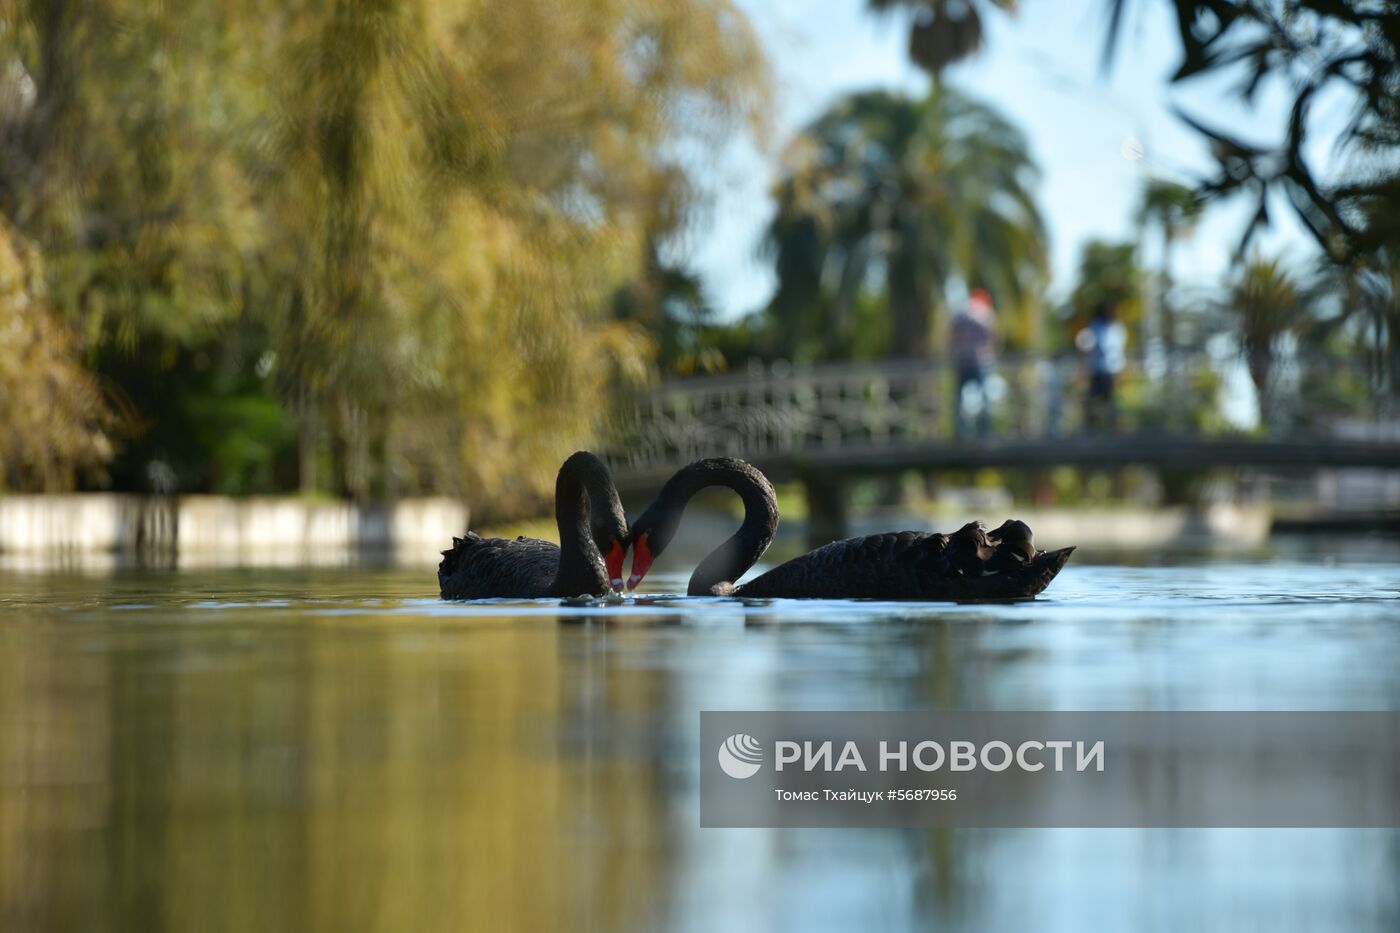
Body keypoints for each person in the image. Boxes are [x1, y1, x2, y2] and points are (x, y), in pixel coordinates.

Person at [950, 289, 997, 437]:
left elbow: (952, 336)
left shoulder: (959, 313)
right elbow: (993, 337)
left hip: (962, 361)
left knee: (960, 400)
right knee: (985, 399)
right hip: (981, 362)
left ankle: (961, 433)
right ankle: (984, 432)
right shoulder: (986, 313)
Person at [1076, 300, 1127, 432]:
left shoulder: (1116, 328)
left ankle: (1113, 427)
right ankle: (1092, 427)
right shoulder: (1097, 326)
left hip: (1111, 370)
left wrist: (1120, 369)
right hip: (1098, 370)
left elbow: (1117, 350)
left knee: (1111, 400)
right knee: (1094, 399)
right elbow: (1090, 346)